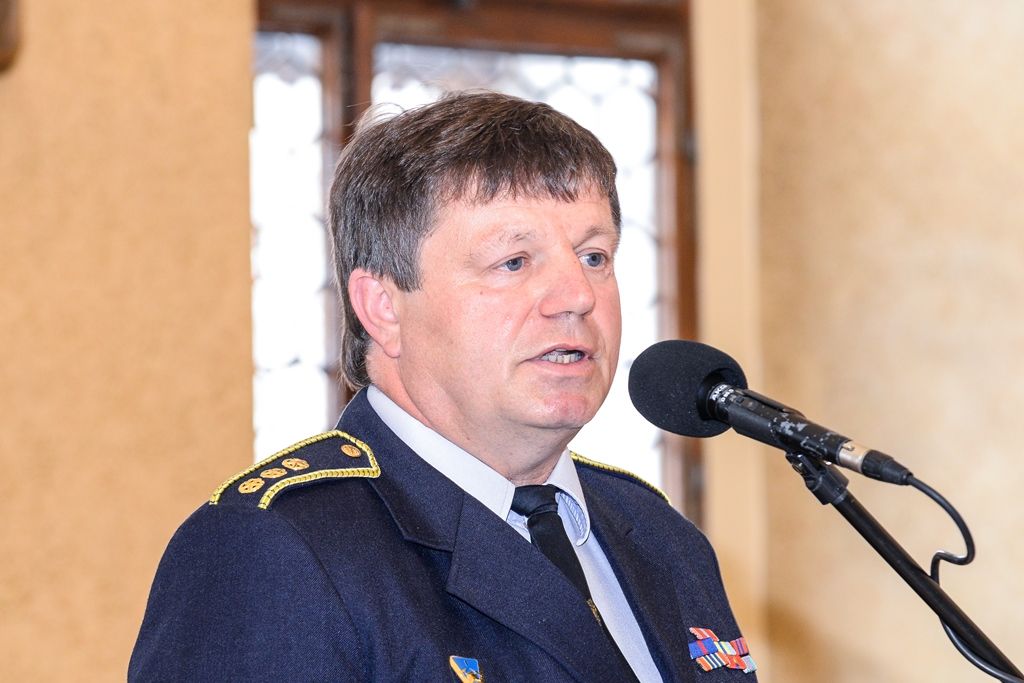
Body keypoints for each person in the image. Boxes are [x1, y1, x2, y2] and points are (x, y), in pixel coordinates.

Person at [129, 92, 756, 682]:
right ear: (383, 308)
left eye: (594, 257)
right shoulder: (279, 549)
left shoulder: (657, 534)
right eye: (513, 262)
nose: (577, 297)